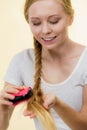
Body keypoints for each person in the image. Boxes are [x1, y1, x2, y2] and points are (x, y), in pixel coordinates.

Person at [0, 0, 87, 130]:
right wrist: (3, 110)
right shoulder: (22, 61)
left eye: (54, 21)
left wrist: (57, 104)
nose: (45, 30)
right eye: (36, 23)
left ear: (71, 18)